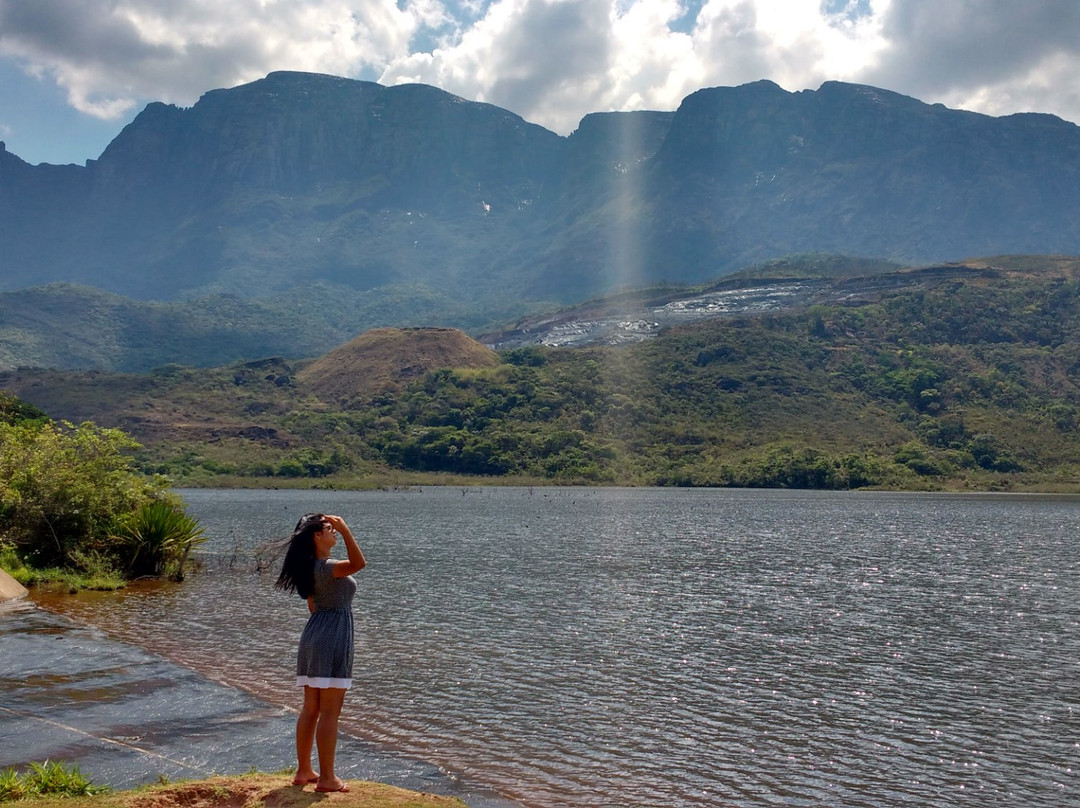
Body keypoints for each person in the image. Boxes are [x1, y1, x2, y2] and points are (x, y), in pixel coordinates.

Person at [275, 512, 366, 792]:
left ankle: (304, 771)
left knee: (311, 708)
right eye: (330, 529)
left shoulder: (309, 568)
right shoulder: (327, 567)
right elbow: (359, 564)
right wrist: (348, 530)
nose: (335, 532)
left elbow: (313, 606)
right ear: (317, 536)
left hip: (313, 635)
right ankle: (327, 779)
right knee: (330, 711)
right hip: (333, 637)